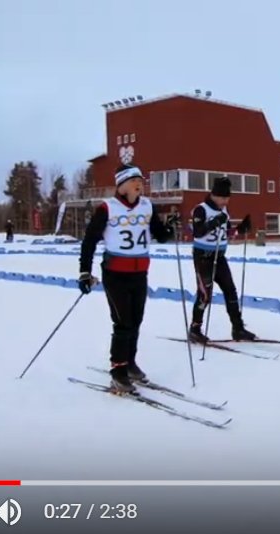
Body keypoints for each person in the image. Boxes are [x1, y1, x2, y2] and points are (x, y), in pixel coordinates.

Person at [77, 164, 178, 393]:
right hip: (115, 273)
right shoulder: (108, 208)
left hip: (139, 273)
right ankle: (118, 370)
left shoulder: (147, 206)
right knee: (123, 323)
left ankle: (130, 362)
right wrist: (84, 272)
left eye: (140, 181)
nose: (139, 184)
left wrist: (169, 228)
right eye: (134, 180)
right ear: (121, 185)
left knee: (136, 321)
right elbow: (89, 241)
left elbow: (161, 236)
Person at [187, 177, 256, 343]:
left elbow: (226, 232)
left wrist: (241, 229)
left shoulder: (224, 210)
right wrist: (215, 222)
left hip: (219, 256)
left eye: (227, 198)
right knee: (205, 295)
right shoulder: (201, 209)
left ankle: (238, 328)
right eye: (222, 198)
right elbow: (198, 232)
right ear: (213, 195)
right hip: (203, 257)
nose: (225, 201)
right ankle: (195, 329)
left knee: (230, 291)